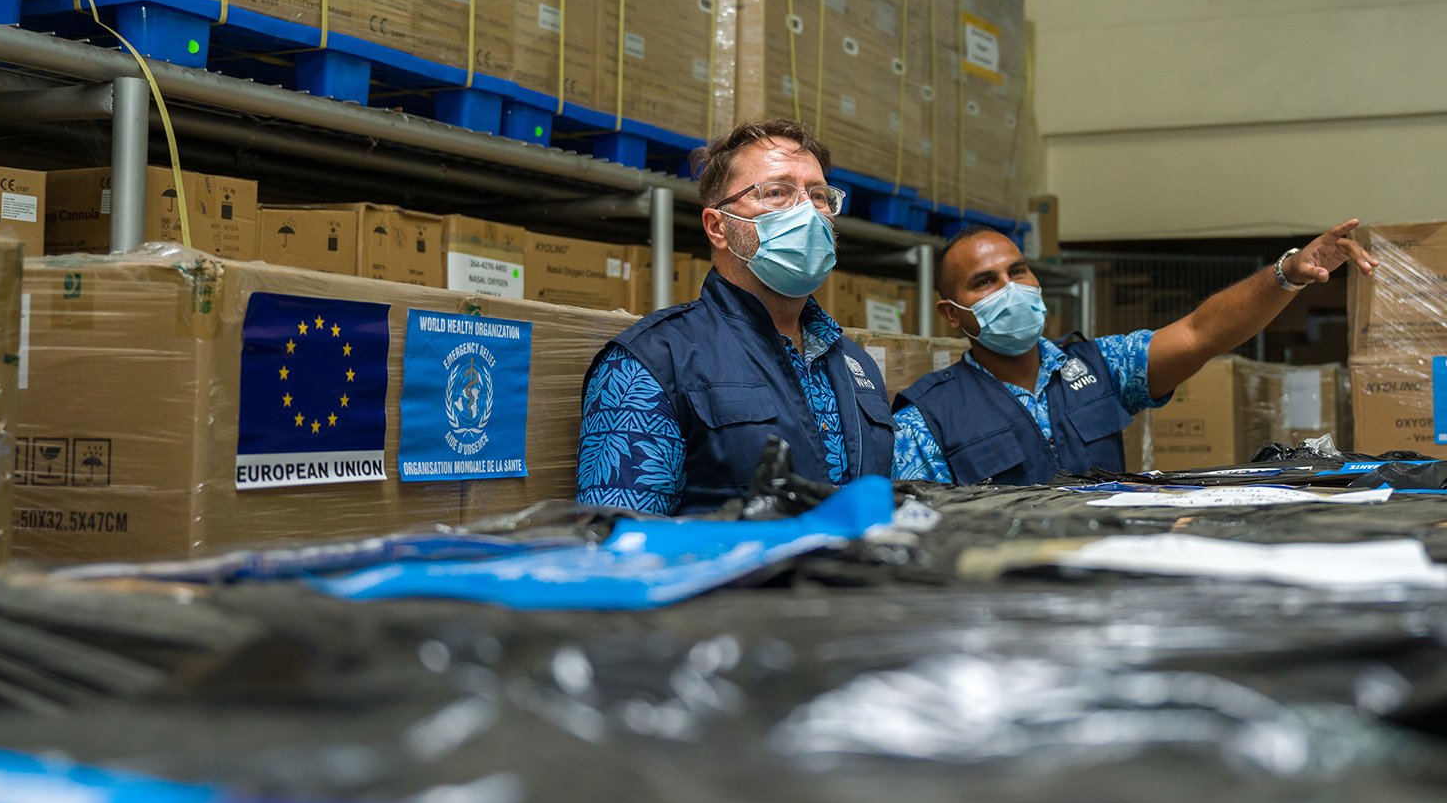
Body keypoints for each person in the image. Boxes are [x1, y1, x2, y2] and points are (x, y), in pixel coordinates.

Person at [891, 223, 1375, 484]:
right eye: (984, 282)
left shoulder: (1101, 365)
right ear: (951, 314)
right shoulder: (927, 419)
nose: (1010, 289)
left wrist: (1286, 273)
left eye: (1017, 272)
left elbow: (1201, 333)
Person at [577, 120, 894, 513]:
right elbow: (622, 544)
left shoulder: (854, 363)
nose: (808, 213)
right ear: (718, 227)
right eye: (777, 193)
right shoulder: (654, 362)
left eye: (818, 196)